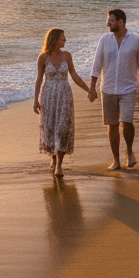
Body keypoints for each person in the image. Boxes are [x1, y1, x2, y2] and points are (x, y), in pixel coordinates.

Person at [87, 9, 139, 170]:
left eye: (111, 20)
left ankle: (129, 151)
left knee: (127, 122)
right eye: (108, 20)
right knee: (112, 125)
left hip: (128, 88)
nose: (108, 23)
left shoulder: (136, 41)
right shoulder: (104, 40)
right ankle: (116, 160)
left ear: (121, 22)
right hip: (107, 89)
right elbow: (96, 64)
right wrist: (92, 87)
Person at [33, 28, 91, 177]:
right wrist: (35, 100)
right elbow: (39, 79)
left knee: (63, 128)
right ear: (54, 39)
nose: (65, 40)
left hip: (64, 95)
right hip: (48, 95)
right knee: (50, 128)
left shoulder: (67, 56)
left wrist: (89, 90)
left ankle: (59, 165)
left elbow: (74, 75)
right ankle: (52, 157)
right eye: (62, 38)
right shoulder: (43, 57)